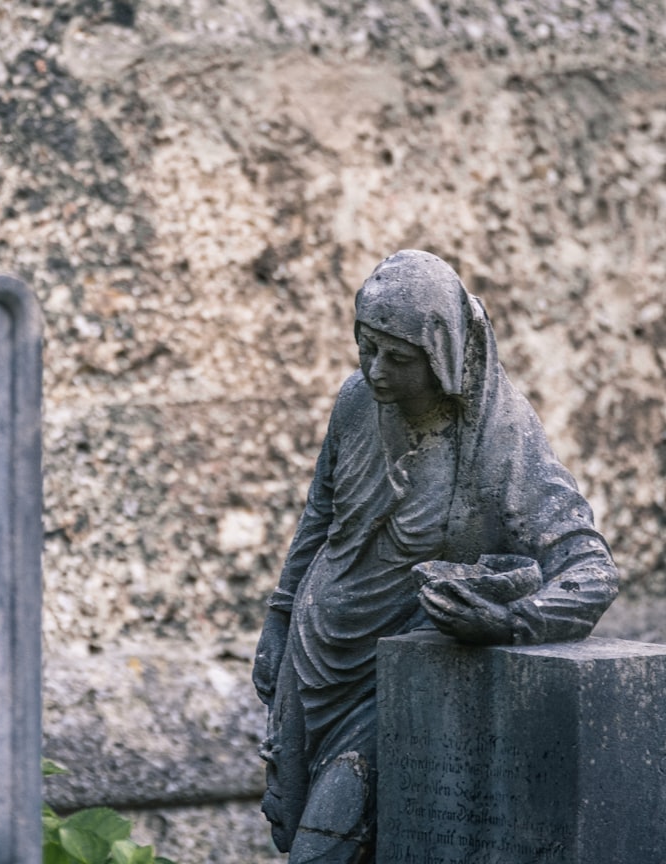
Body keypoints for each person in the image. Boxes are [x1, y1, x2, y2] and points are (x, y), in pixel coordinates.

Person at [251, 250, 618, 864]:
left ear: (443, 356)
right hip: (316, 654)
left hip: (395, 672)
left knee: (322, 846)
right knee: (300, 833)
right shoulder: (354, 403)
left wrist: (508, 623)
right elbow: (319, 518)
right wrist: (280, 618)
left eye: (399, 357)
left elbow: (590, 570)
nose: (376, 370)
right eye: (367, 346)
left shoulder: (499, 439)